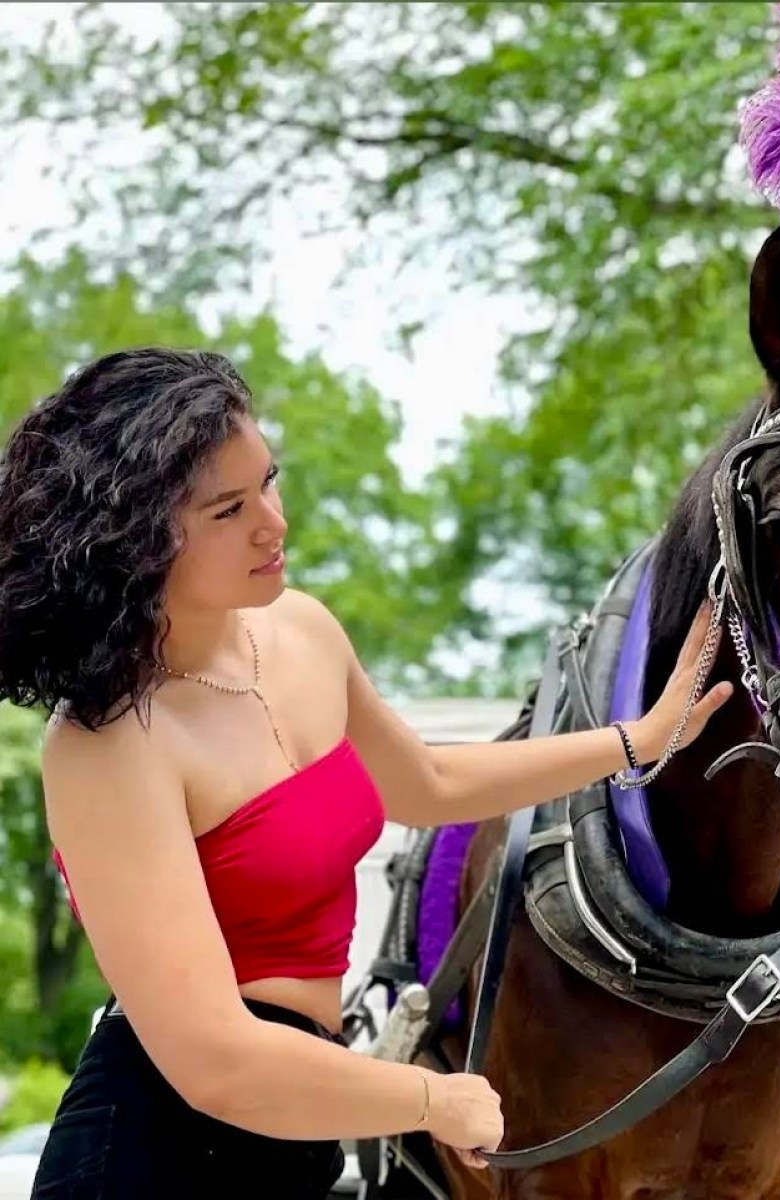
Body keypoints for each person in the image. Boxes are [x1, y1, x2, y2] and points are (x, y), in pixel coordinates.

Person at [0, 348, 732, 1198]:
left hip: (299, 1123)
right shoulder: (105, 743)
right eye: (229, 510)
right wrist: (430, 1098)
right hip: (156, 1150)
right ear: (134, 540)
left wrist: (638, 742)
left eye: (268, 482)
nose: (273, 523)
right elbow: (213, 1062)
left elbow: (427, 785)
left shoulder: (303, 632)